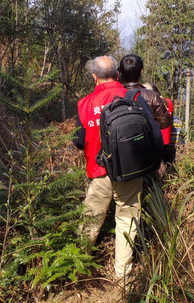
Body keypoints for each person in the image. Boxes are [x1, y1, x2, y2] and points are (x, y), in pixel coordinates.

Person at [73, 56, 143, 280]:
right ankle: (123, 276)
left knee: (90, 219)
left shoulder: (84, 103)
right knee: (127, 221)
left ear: (94, 76)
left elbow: (77, 141)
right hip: (130, 171)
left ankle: (77, 267)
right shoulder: (132, 96)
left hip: (99, 170)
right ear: (117, 74)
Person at [119, 54, 172, 176]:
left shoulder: (117, 94)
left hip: (122, 154)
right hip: (148, 152)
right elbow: (165, 122)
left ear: (120, 72)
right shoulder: (151, 95)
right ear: (141, 72)